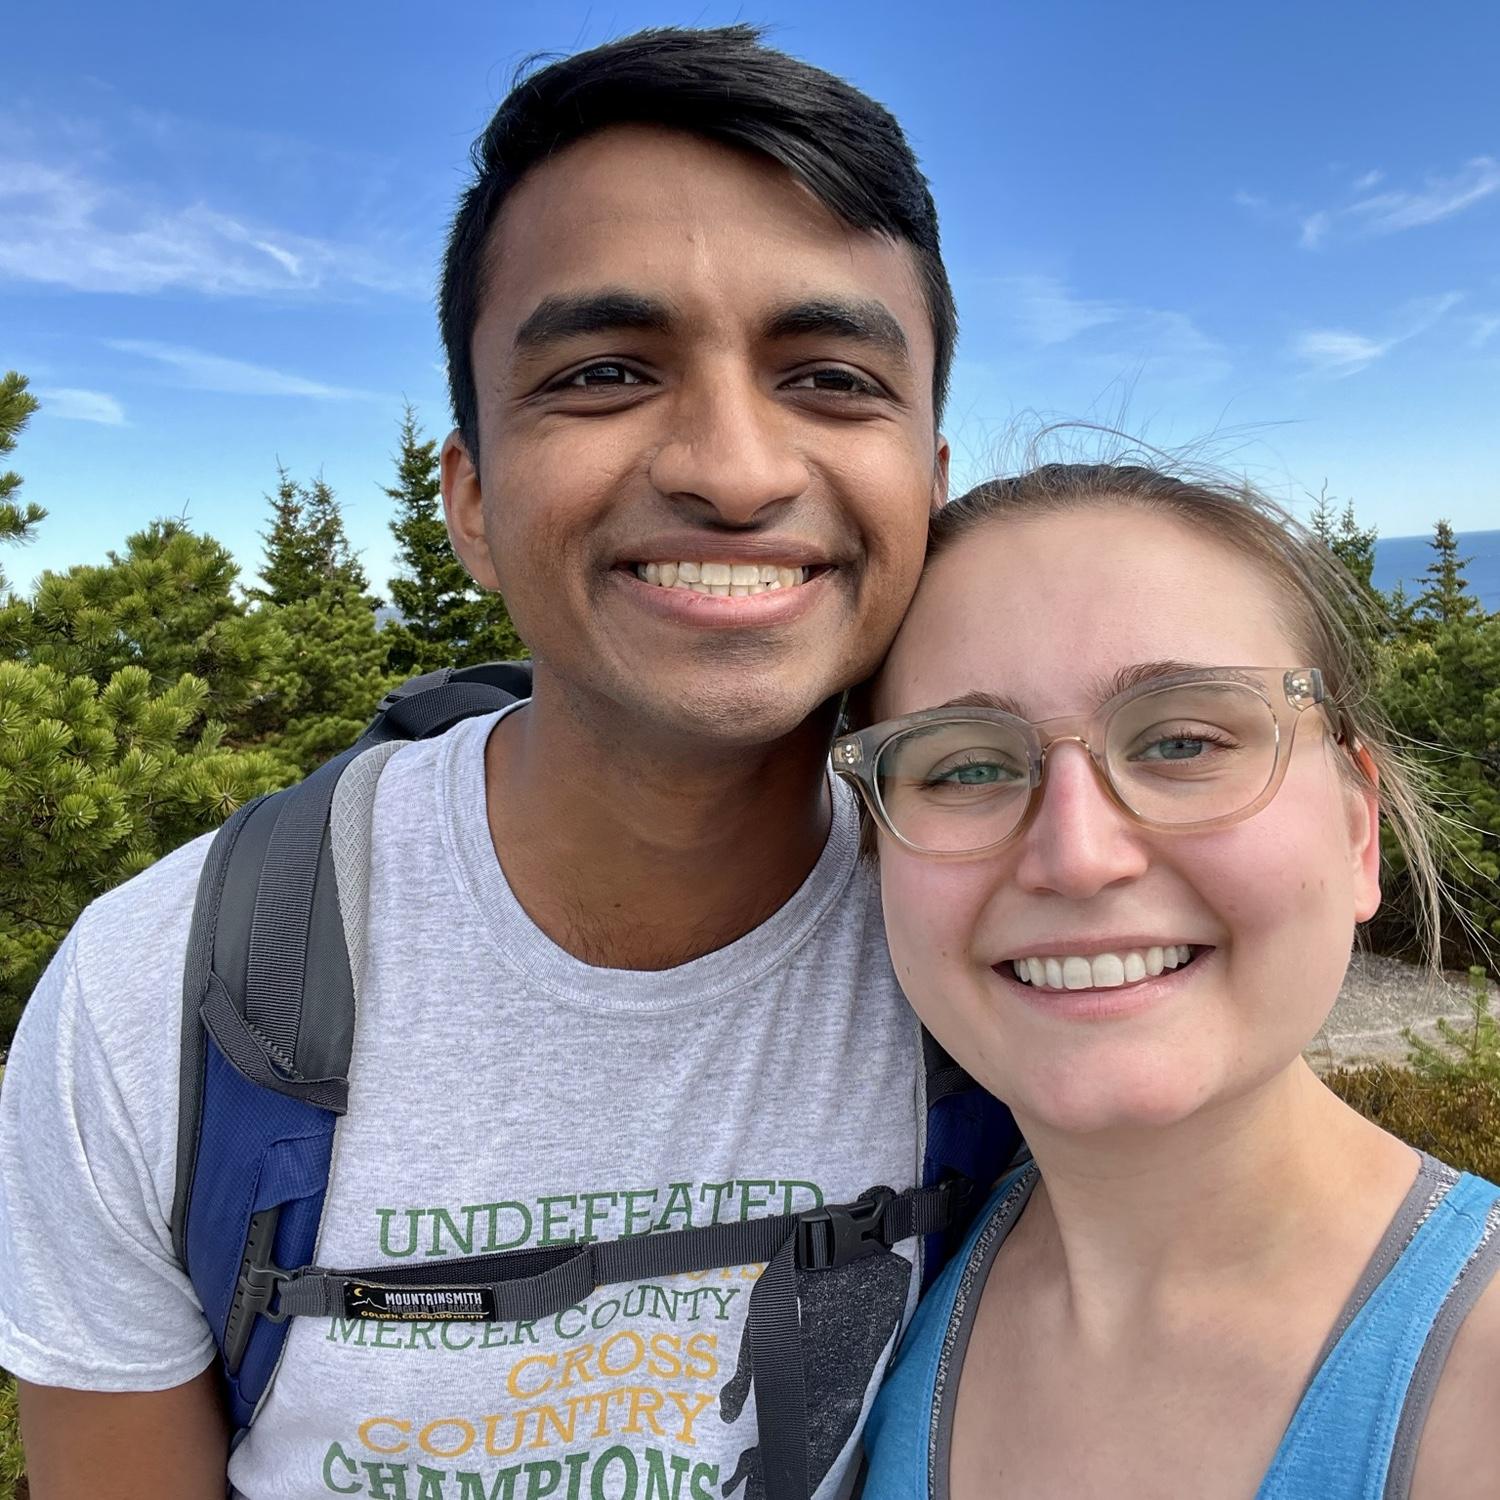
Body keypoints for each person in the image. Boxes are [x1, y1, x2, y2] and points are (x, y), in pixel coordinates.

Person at [0, 27, 958, 1498]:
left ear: (931, 478)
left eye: (830, 378)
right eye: (608, 370)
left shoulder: (1011, 952)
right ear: (470, 496)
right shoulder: (157, 1005)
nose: (735, 467)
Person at [847, 462, 1500, 1497]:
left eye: (1186, 740)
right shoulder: (876, 1312)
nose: (1076, 854)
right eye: (966, 766)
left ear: (1356, 833)